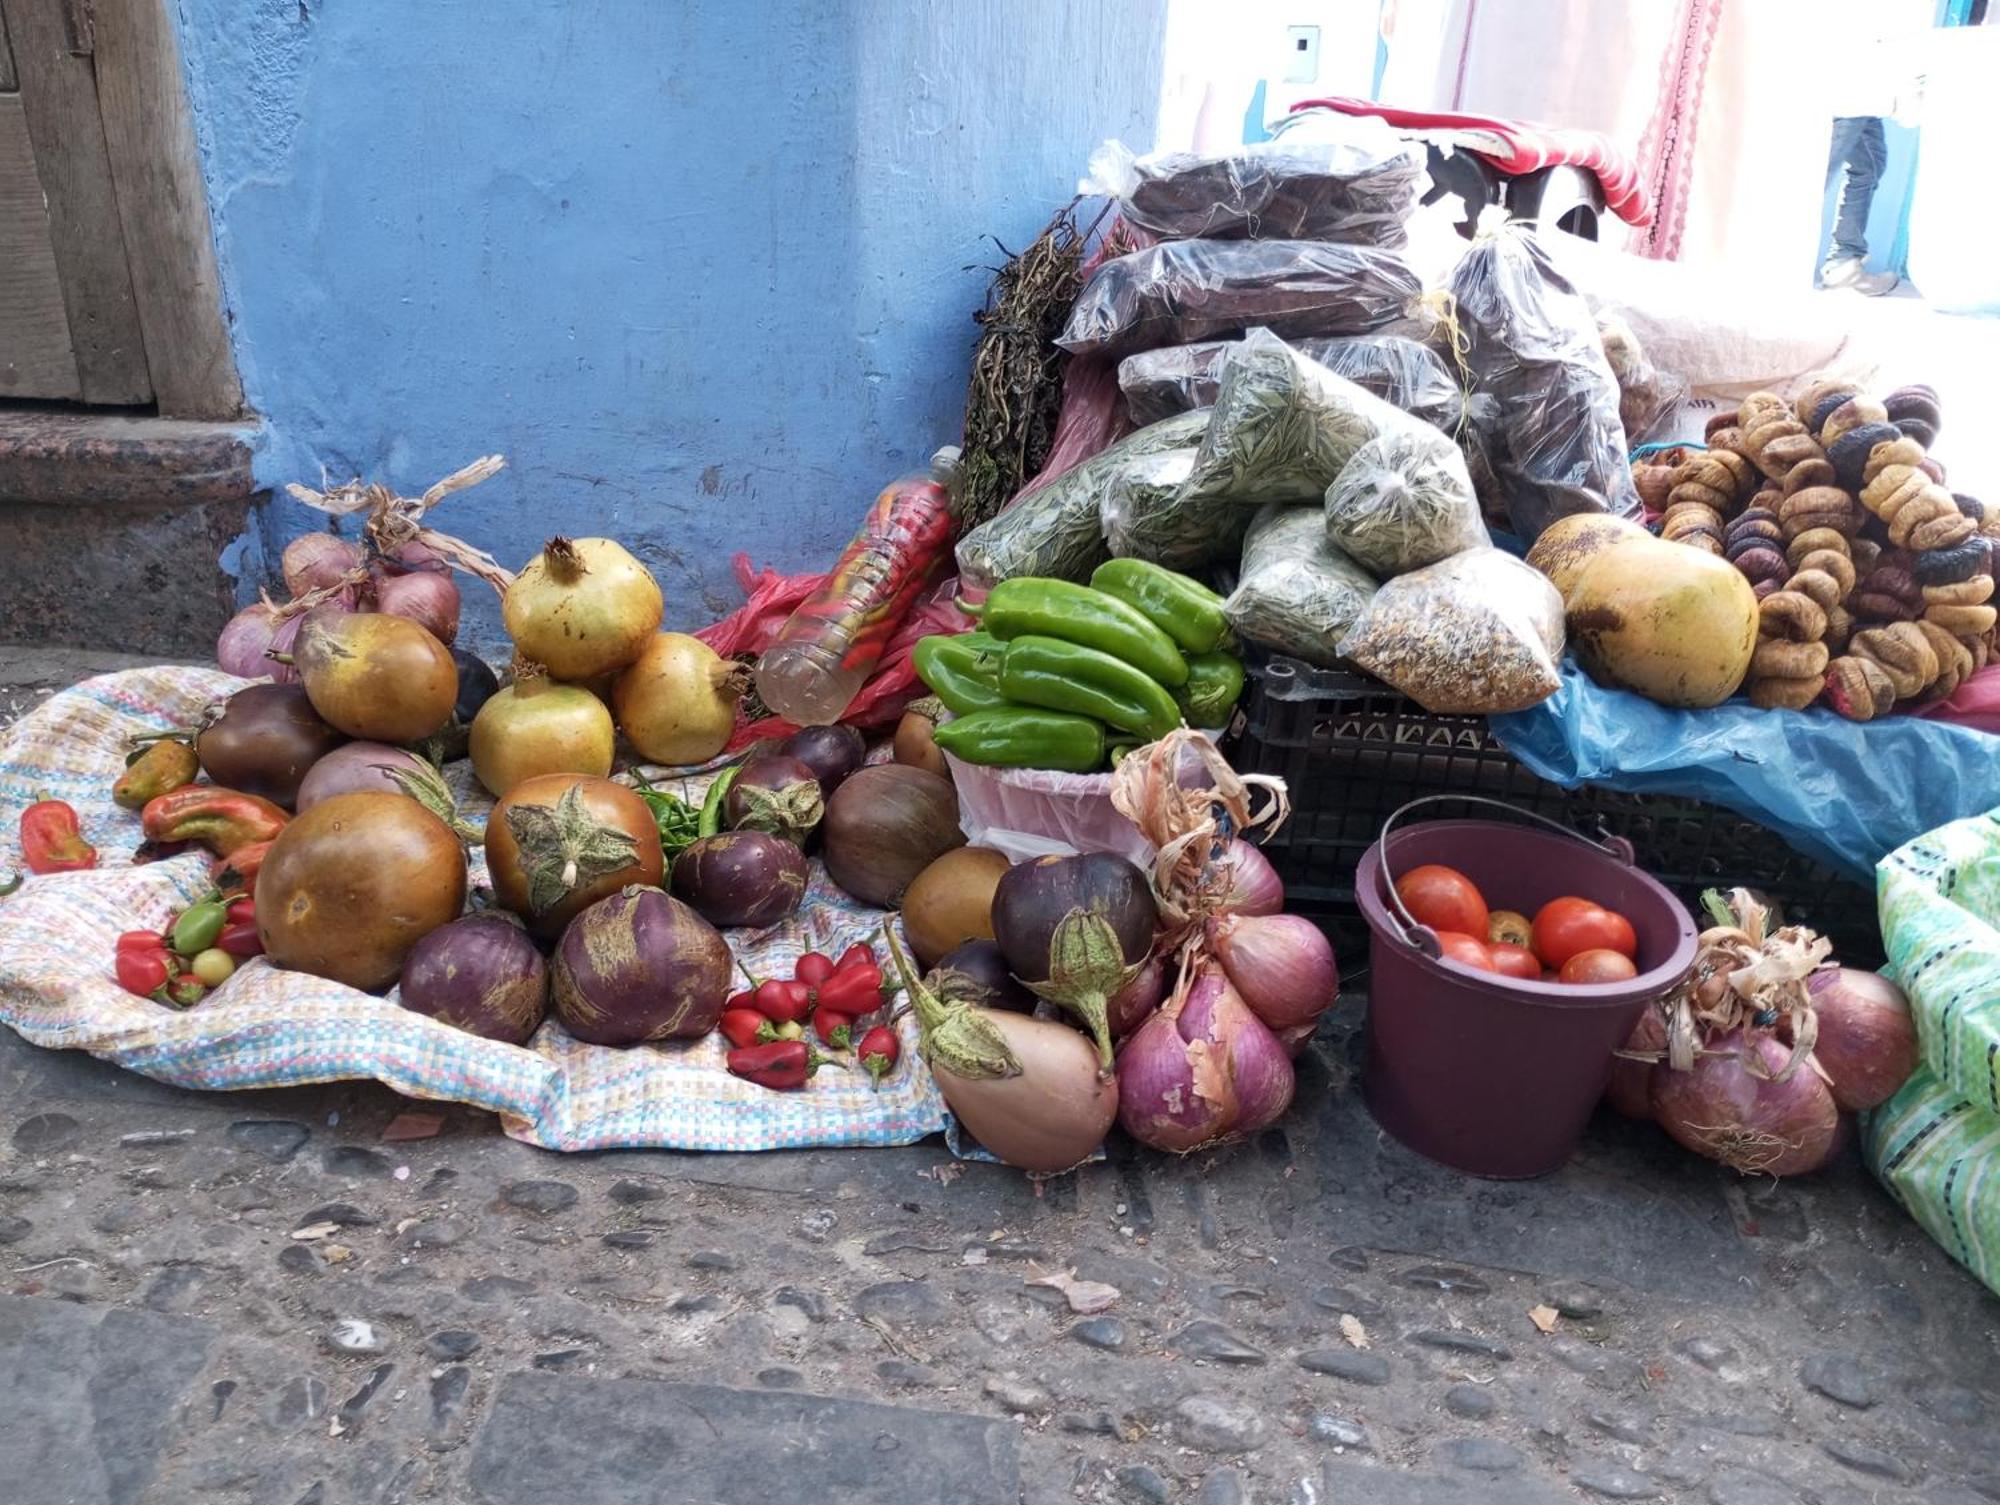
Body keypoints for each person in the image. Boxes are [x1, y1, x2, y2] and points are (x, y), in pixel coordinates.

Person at [1821, 115, 1899, 295]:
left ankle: (1844, 260)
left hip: (1866, 101)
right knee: (1818, 171)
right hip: (1852, 94)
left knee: (1866, 171)